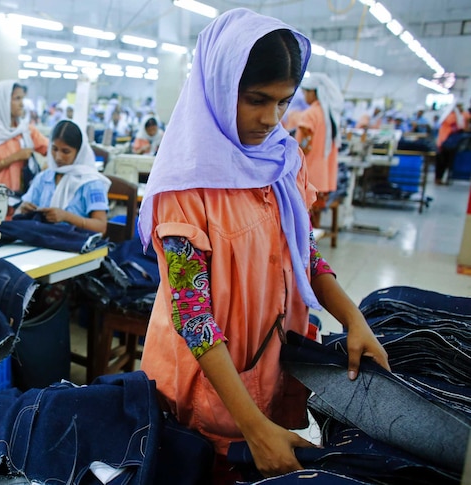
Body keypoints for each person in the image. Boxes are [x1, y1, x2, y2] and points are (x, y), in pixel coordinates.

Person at [137, 9, 389, 480]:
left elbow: (305, 253)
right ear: (219, 85)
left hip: (269, 362)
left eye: (283, 101)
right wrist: (253, 428)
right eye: (255, 99)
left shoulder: (280, 161)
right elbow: (192, 316)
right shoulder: (185, 189)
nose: (270, 119)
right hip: (205, 383)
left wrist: (354, 320)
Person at [20, 120, 109, 234]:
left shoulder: (90, 182)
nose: (58, 157)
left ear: (79, 152)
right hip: (44, 240)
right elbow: (21, 210)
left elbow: (101, 227)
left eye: (65, 151)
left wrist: (67, 217)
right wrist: (24, 209)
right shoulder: (44, 178)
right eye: (54, 149)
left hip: (75, 244)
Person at [287, 72, 343, 228]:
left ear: (314, 92)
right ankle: (313, 246)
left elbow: (305, 145)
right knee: (314, 215)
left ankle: (308, 246)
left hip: (309, 174)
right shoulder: (328, 115)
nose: (304, 96)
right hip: (323, 176)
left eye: (306, 92)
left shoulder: (311, 114)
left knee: (305, 215)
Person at [0, 80, 49, 197]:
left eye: (22, 98)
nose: (22, 104)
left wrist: (49, 166)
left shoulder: (26, 131)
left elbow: (50, 149)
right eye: (17, 99)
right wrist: (15, 157)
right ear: (2, 102)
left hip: (21, 201)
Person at [435, 102, 470, 184]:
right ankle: (439, 179)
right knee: (442, 162)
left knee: (449, 162)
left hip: (451, 144)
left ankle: (445, 178)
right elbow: (461, 126)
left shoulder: (462, 115)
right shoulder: (449, 116)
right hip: (444, 143)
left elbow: (466, 119)